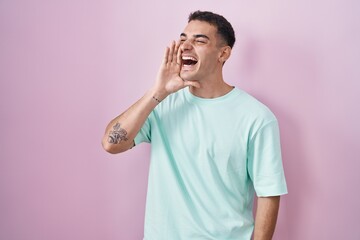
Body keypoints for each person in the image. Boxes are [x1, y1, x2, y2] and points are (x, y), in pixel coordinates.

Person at [102, 10, 288, 240]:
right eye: (183, 39)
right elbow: (111, 144)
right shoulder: (162, 104)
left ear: (223, 53)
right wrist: (157, 91)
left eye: (199, 40)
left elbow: (269, 192)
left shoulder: (257, 117)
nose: (185, 46)